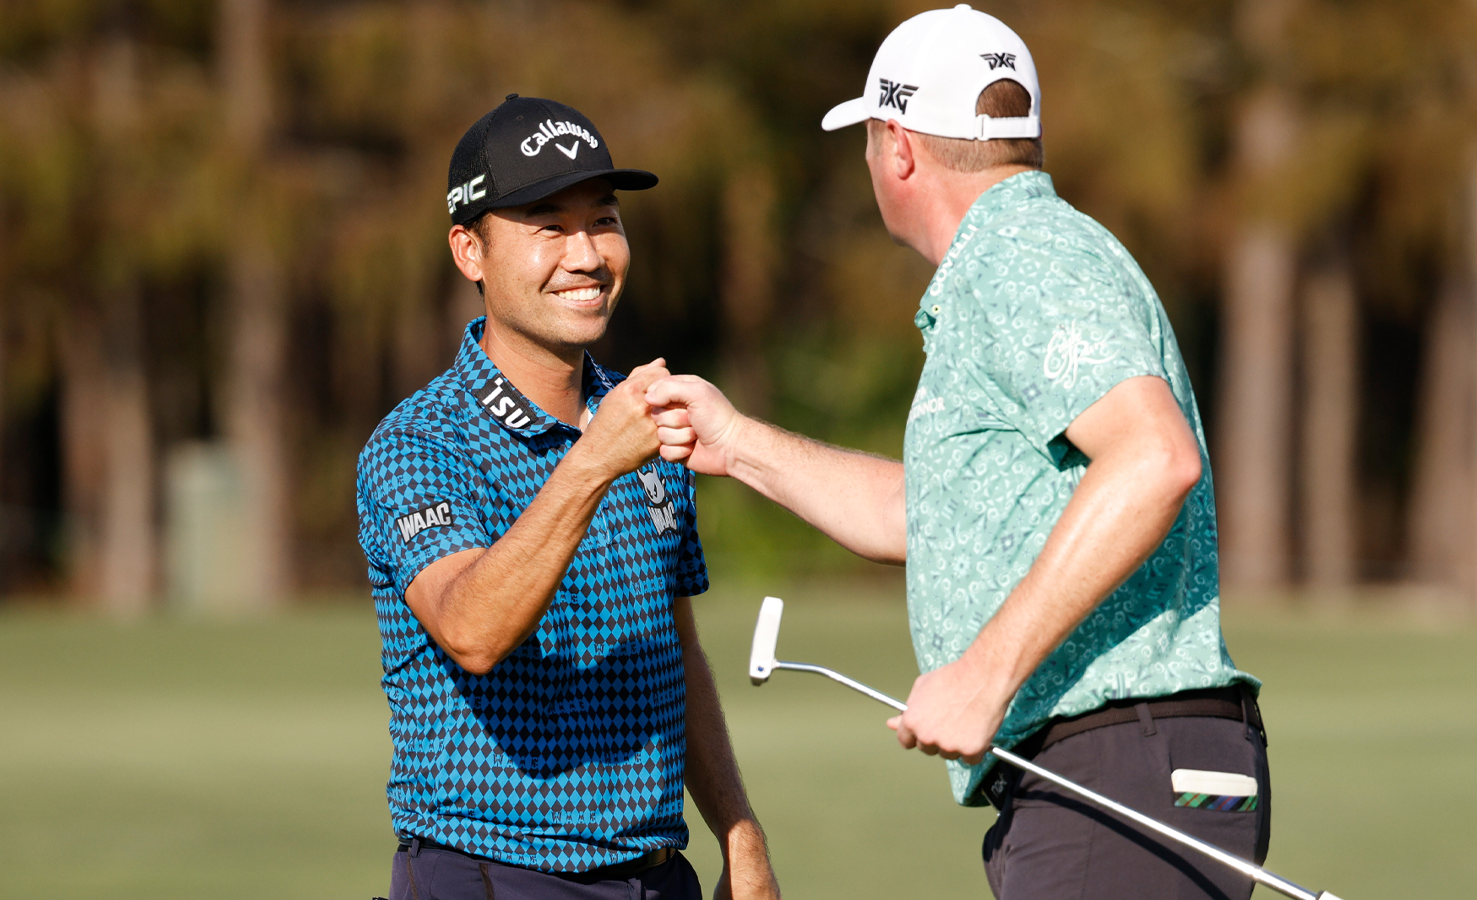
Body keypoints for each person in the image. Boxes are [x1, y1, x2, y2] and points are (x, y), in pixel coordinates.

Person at [646, 6, 1269, 899]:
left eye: (867, 139)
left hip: (1118, 767)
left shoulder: (1018, 256)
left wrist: (985, 673)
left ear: (897, 146)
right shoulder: (1026, 256)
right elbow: (932, 520)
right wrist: (738, 444)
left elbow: (1152, 457)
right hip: (1124, 772)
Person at [356, 95, 778, 900]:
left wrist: (739, 830)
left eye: (604, 221)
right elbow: (474, 630)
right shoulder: (418, 443)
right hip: (491, 873)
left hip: (659, 876)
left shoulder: (642, 419)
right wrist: (592, 463)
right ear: (468, 251)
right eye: (549, 226)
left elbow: (674, 654)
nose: (586, 255)